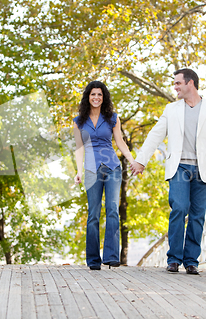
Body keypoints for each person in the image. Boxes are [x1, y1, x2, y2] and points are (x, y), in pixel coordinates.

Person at [131, 68, 206, 275]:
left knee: (197, 215)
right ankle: (174, 258)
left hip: (203, 168)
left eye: (177, 83)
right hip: (179, 168)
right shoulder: (172, 109)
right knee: (179, 208)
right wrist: (141, 161)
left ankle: (191, 261)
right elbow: (156, 135)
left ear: (190, 83)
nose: (175, 87)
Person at [73, 80, 135, 270]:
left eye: (100, 94)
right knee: (93, 214)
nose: (96, 98)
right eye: (93, 94)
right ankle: (93, 260)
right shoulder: (79, 121)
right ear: (88, 97)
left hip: (112, 167)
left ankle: (111, 256)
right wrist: (78, 171)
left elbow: (120, 142)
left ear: (104, 97)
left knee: (112, 209)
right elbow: (79, 148)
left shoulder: (112, 118)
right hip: (91, 169)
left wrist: (133, 161)